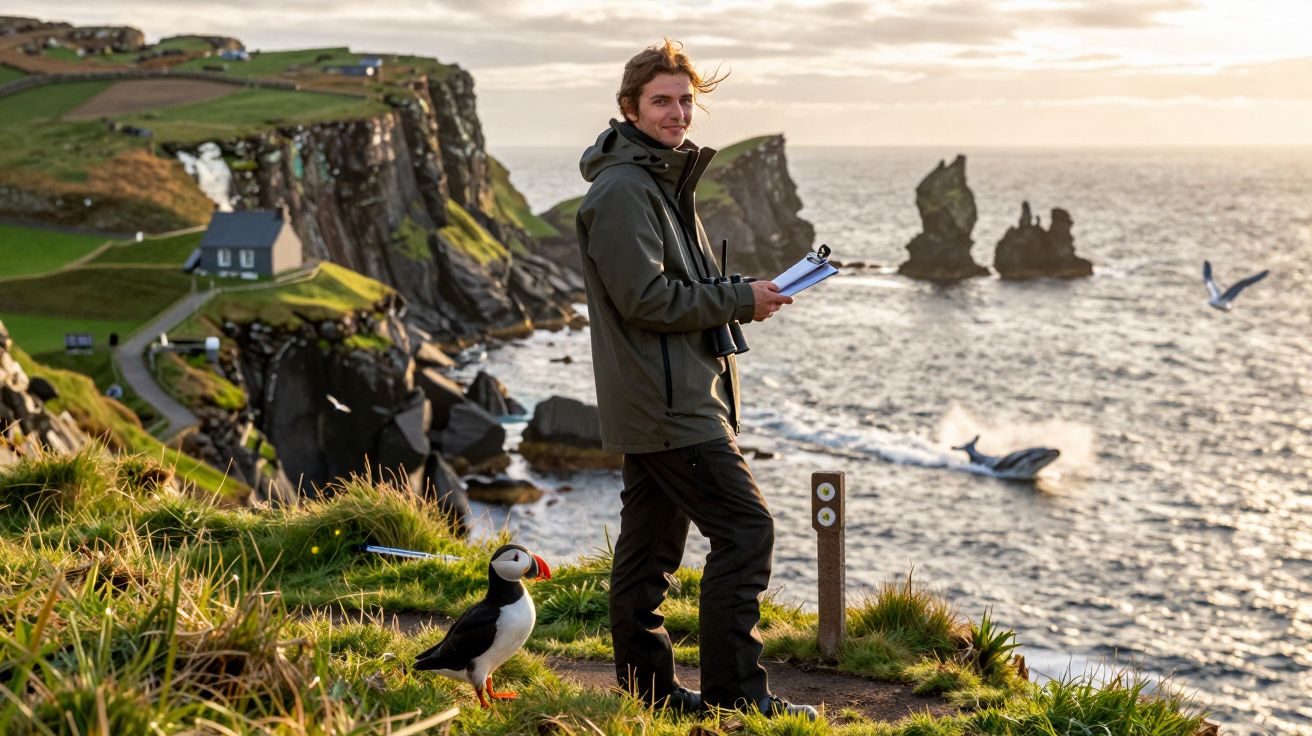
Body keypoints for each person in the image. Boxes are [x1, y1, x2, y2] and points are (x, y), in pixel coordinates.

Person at [574, 39, 818, 721]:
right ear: (630, 108)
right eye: (662, 101)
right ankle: (737, 697)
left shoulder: (656, 180)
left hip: (667, 395)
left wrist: (745, 291)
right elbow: (645, 299)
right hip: (669, 404)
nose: (678, 113)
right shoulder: (625, 190)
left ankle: (649, 694)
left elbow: (677, 285)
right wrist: (739, 299)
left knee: (648, 552)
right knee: (746, 530)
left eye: (685, 101)